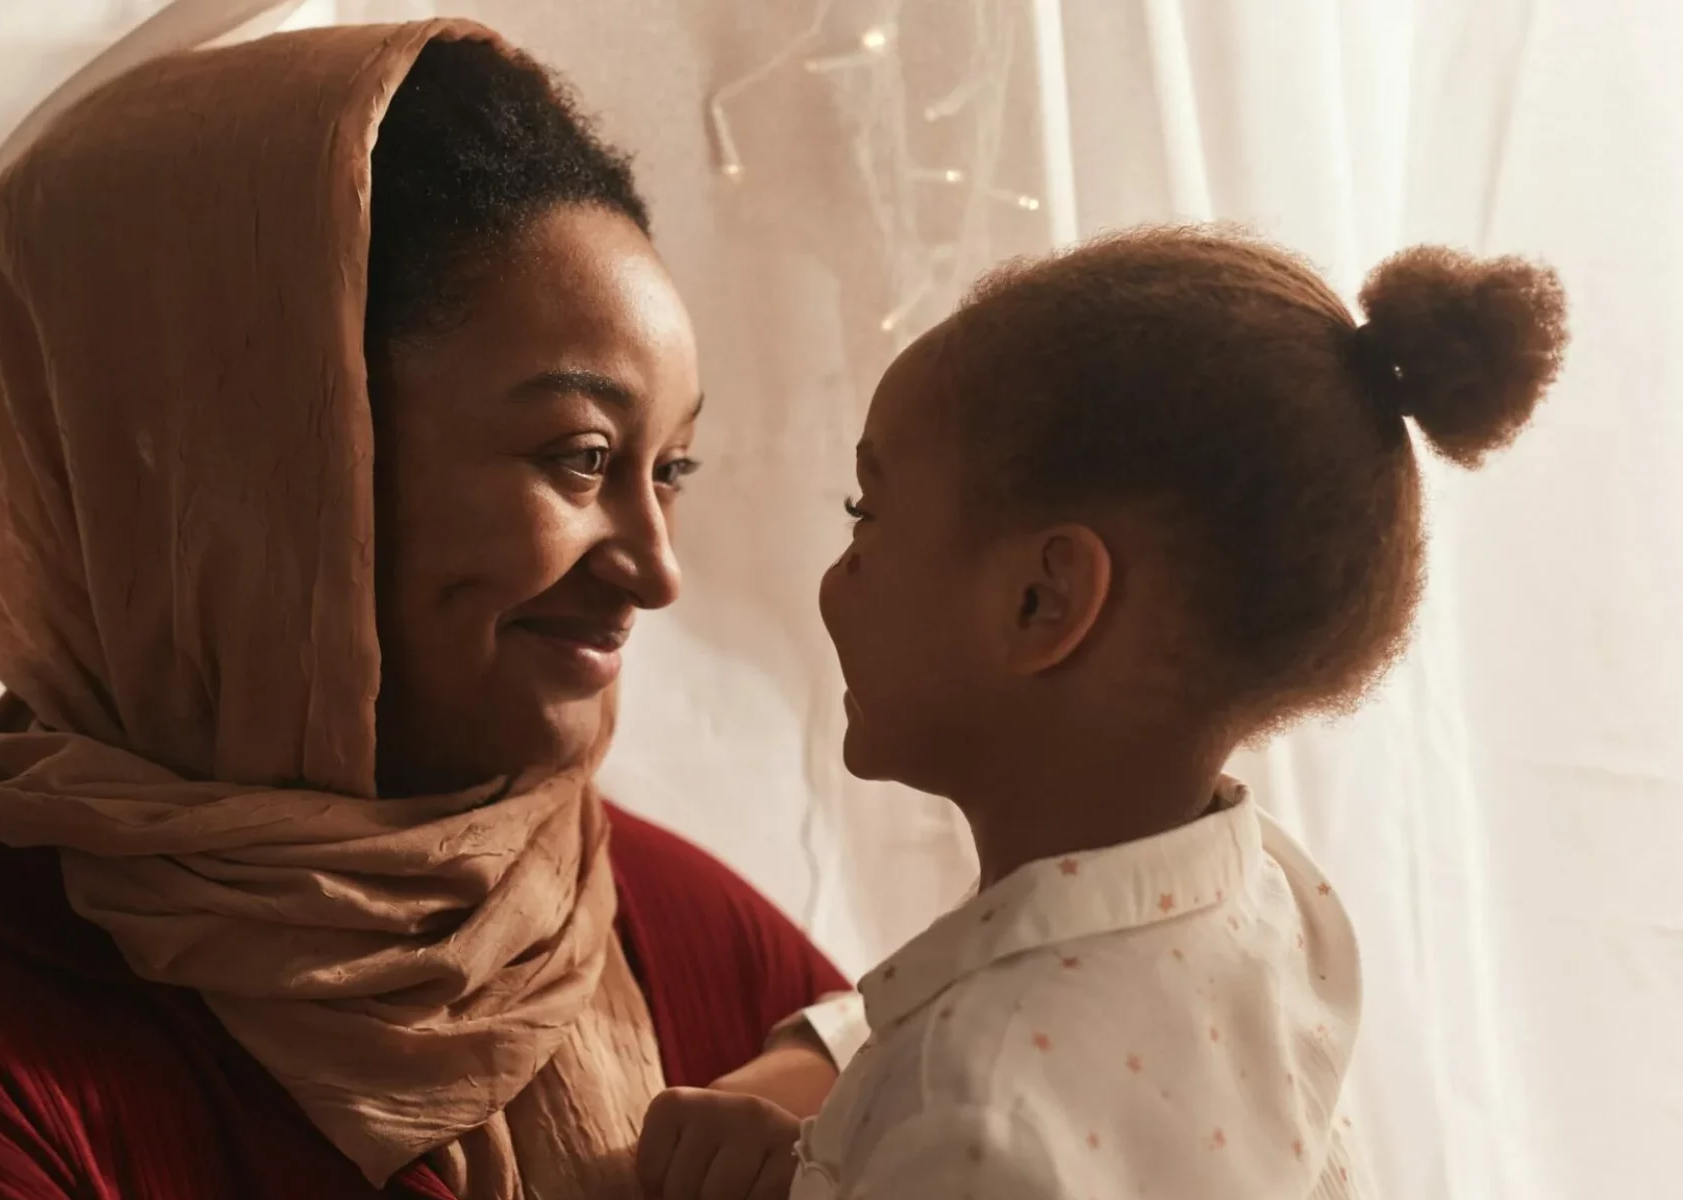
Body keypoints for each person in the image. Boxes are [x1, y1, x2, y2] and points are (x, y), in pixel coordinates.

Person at [0, 23, 854, 1200]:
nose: (655, 571)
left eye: (670, 470)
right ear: (260, 466)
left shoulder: (723, 965)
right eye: (578, 455)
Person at [643, 227, 1568, 1199]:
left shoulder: (976, 1112)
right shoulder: (1274, 898)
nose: (837, 577)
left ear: (1040, 602)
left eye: (863, 514)